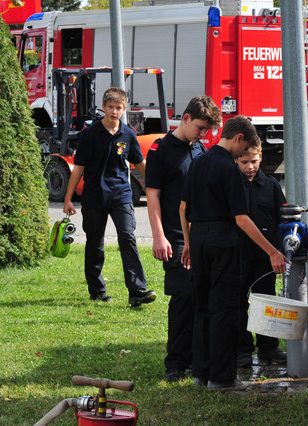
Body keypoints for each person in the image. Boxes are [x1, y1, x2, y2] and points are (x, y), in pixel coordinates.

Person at [179, 115, 288, 390]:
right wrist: (272, 250)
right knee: (224, 309)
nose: (244, 156)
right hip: (223, 241)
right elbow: (241, 219)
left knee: (202, 306)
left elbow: (184, 208)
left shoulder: (199, 160)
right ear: (239, 138)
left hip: (199, 237)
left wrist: (190, 242)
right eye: (244, 150)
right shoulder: (228, 168)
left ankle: (200, 374)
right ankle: (222, 377)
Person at [145, 95, 221, 382]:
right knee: (183, 298)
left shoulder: (200, 148)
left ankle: (195, 358)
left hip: (200, 235)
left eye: (207, 130)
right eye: (201, 127)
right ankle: (175, 363)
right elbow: (152, 196)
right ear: (185, 119)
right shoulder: (161, 149)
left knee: (201, 297)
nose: (203, 134)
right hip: (174, 238)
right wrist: (158, 236)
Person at [63, 87, 156, 307]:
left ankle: (137, 291)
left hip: (121, 195)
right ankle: (97, 290)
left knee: (127, 237)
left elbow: (140, 163)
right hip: (94, 196)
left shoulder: (128, 134)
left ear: (124, 109)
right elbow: (78, 168)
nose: (114, 111)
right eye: (111, 107)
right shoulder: (90, 134)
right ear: (104, 107)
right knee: (95, 243)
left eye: (119, 107)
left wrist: (153, 188)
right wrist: (67, 199)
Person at [235, 146, 287, 368]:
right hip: (238, 253)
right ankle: (241, 349)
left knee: (266, 300)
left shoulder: (271, 185)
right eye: (244, 162)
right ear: (236, 160)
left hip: (266, 256)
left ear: (261, 157)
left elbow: (281, 217)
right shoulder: (232, 184)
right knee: (238, 302)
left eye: (254, 161)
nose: (250, 167)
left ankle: (268, 347)